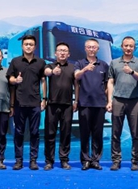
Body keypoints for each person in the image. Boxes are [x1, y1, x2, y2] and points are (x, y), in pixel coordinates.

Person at [6, 35, 47, 171]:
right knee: (19, 132)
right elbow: (10, 79)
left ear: (35, 47)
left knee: (35, 132)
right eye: (26, 44)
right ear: (22, 46)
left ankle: (33, 160)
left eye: (31, 44)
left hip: (35, 103)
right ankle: (18, 160)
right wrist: (15, 80)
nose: (28, 46)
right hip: (19, 102)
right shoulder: (15, 61)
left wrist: (44, 99)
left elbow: (43, 81)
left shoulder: (40, 62)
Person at [107, 36, 138, 171]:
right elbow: (110, 81)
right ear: (122, 47)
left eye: (131, 46)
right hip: (118, 100)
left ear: (134, 48)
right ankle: (116, 160)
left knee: (136, 133)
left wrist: (132, 72)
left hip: (134, 101)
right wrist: (109, 100)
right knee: (115, 132)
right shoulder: (114, 62)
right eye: (126, 45)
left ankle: (135, 160)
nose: (128, 48)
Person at [74, 38, 109, 170]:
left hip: (99, 104)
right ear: (85, 49)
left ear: (98, 49)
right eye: (89, 47)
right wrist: (85, 69)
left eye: (94, 47)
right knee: (84, 133)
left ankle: (95, 160)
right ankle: (85, 160)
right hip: (84, 103)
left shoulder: (104, 65)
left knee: (97, 133)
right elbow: (76, 76)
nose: (91, 49)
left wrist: (108, 100)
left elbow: (107, 85)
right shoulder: (79, 63)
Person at [43, 42, 78, 170]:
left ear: (68, 54)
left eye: (65, 51)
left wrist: (76, 101)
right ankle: (49, 161)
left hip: (67, 105)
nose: (62, 53)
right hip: (52, 105)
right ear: (55, 53)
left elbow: (77, 85)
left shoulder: (73, 67)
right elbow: (46, 72)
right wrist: (53, 72)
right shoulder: (50, 66)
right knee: (50, 134)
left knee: (66, 133)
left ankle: (64, 160)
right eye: (60, 50)